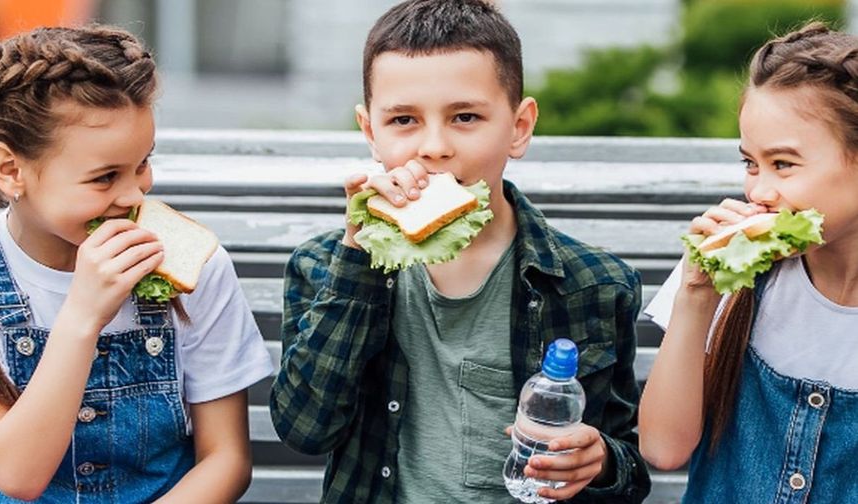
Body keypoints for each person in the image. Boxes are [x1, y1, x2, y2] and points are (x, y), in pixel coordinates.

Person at [270, 1, 650, 502]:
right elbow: (306, 430)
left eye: (465, 116)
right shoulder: (325, 267)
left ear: (519, 126)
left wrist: (599, 460)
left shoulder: (595, 284)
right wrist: (357, 255)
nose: (434, 146)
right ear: (370, 132)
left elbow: (628, 469)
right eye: (403, 120)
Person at [0, 25, 273, 503]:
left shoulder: (196, 268)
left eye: (143, 163)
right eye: (104, 177)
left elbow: (225, 459)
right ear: (10, 170)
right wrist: (83, 316)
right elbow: (16, 475)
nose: (134, 195)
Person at [639, 22, 858, 502]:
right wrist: (696, 296)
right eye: (750, 163)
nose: (759, 192)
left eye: (783, 164)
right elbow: (662, 448)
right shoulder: (732, 269)